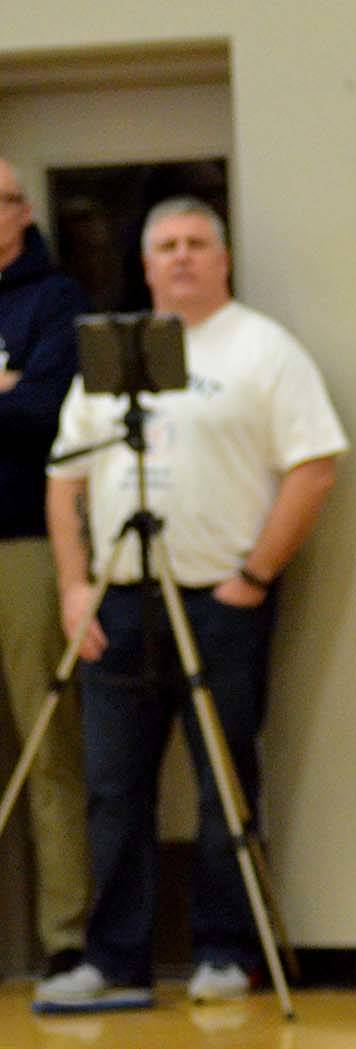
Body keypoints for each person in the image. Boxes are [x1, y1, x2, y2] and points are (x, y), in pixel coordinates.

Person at [33, 197, 348, 1013]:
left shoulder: (262, 349)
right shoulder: (109, 354)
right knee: (113, 783)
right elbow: (64, 478)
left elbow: (315, 463)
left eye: (195, 243)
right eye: (165, 246)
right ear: (145, 265)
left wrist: (256, 573)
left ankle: (224, 948)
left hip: (219, 599)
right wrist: (75, 585)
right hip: (120, 602)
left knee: (224, 778)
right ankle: (115, 960)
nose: (180, 257)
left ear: (223, 256)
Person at [0, 157, 91, 977]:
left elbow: (44, 408)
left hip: (24, 541)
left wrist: (16, 391)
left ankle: (66, 938)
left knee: (47, 743)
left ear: (23, 210)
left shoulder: (53, 298)